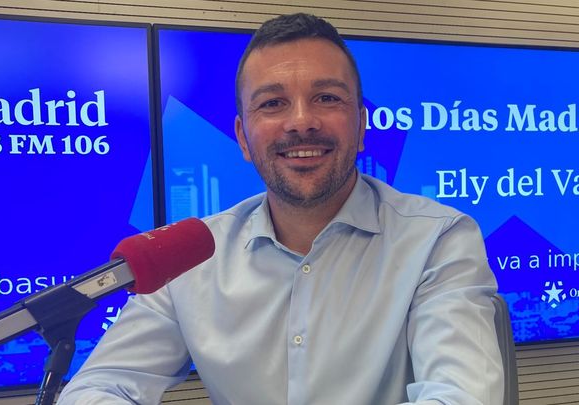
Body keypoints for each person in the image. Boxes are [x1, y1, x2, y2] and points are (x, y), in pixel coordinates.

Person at [57, 13, 503, 405]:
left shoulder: (438, 239)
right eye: (272, 103)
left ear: (362, 127)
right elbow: (98, 386)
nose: (301, 121)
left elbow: (463, 395)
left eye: (327, 98)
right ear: (243, 138)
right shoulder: (191, 258)